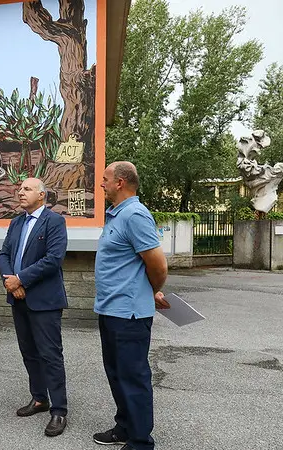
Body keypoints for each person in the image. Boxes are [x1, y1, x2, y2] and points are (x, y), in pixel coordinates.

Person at [93, 161, 169, 450]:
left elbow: (158, 265)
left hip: (130, 314)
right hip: (111, 310)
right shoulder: (117, 215)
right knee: (116, 373)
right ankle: (125, 426)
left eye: (105, 179)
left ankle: (140, 441)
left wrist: (152, 290)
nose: (102, 184)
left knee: (133, 376)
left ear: (120, 183)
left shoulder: (136, 215)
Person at [0, 177, 68, 437]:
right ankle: (39, 398)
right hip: (18, 298)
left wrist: (21, 278)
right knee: (28, 352)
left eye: (26, 189)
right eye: (20, 189)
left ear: (42, 195)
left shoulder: (55, 221)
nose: (20, 193)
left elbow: (53, 259)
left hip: (45, 301)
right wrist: (11, 282)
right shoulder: (16, 223)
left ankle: (59, 409)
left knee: (50, 354)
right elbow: (4, 254)